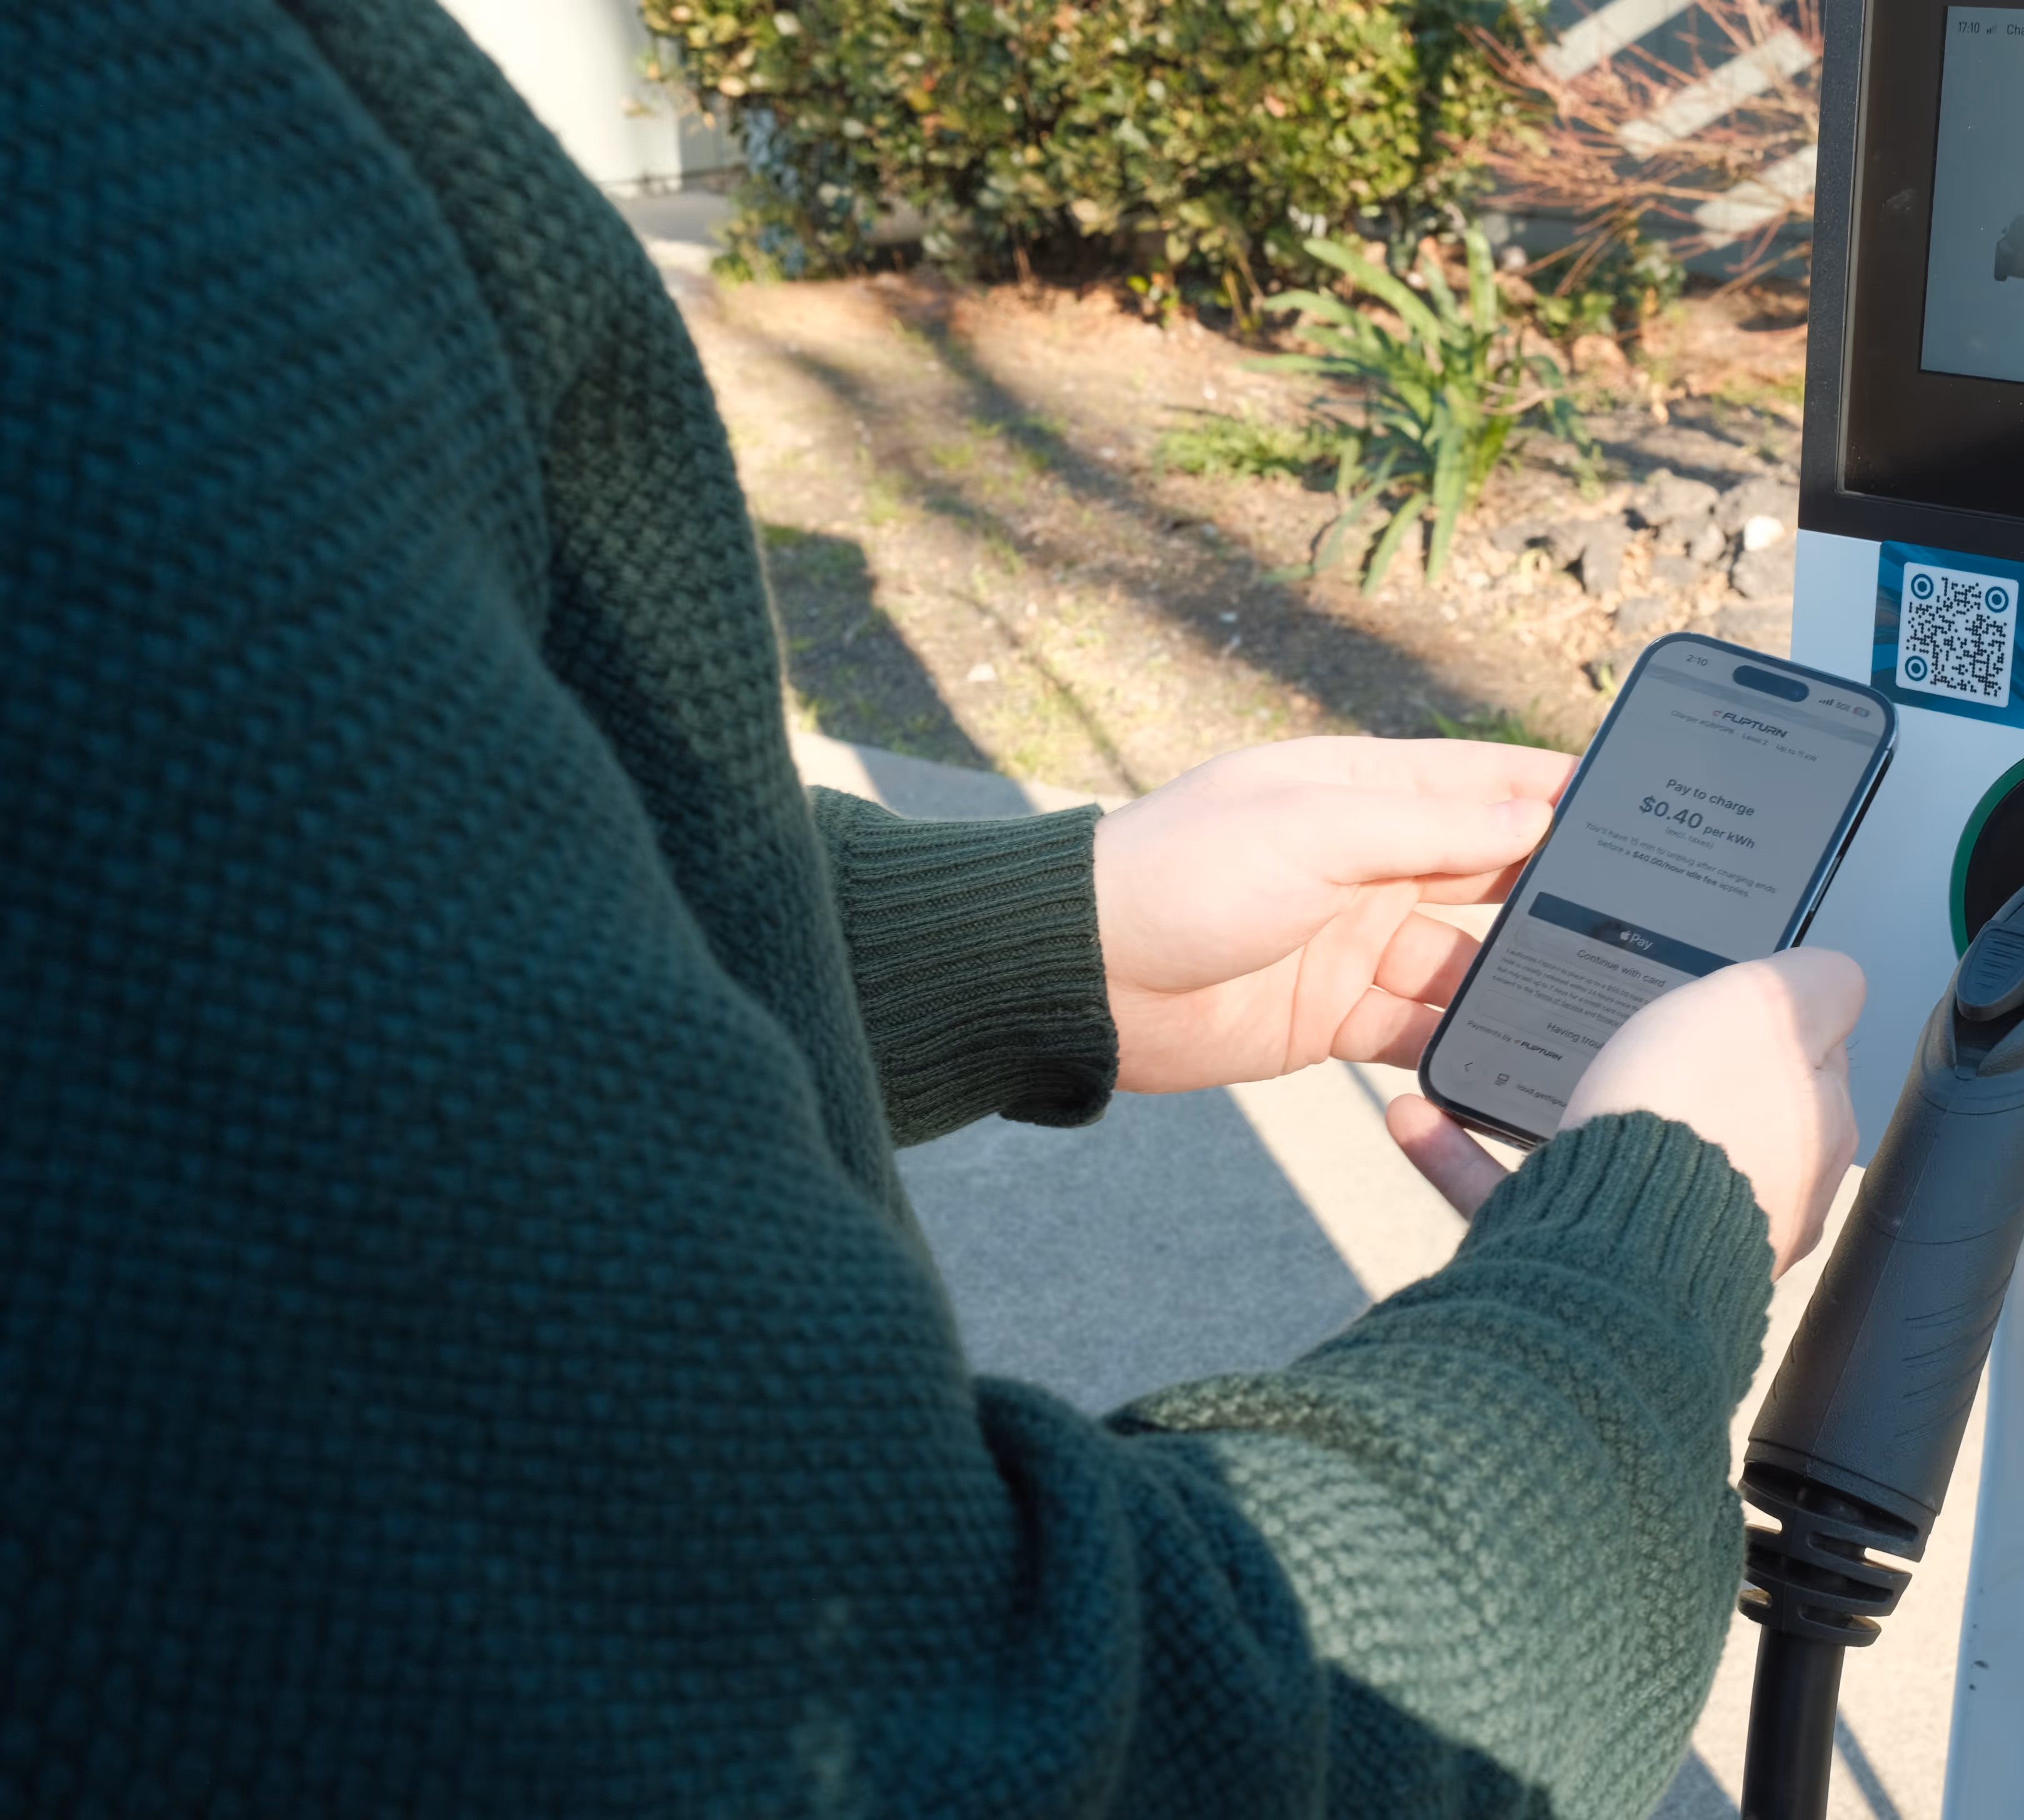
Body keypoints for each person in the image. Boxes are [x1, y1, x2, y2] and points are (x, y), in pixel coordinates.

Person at [0, 2, 1866, 1814]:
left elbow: (325, 960)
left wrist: (1033, 936)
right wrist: (1644, 1264)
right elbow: (945, 1725)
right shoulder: (99, 166)